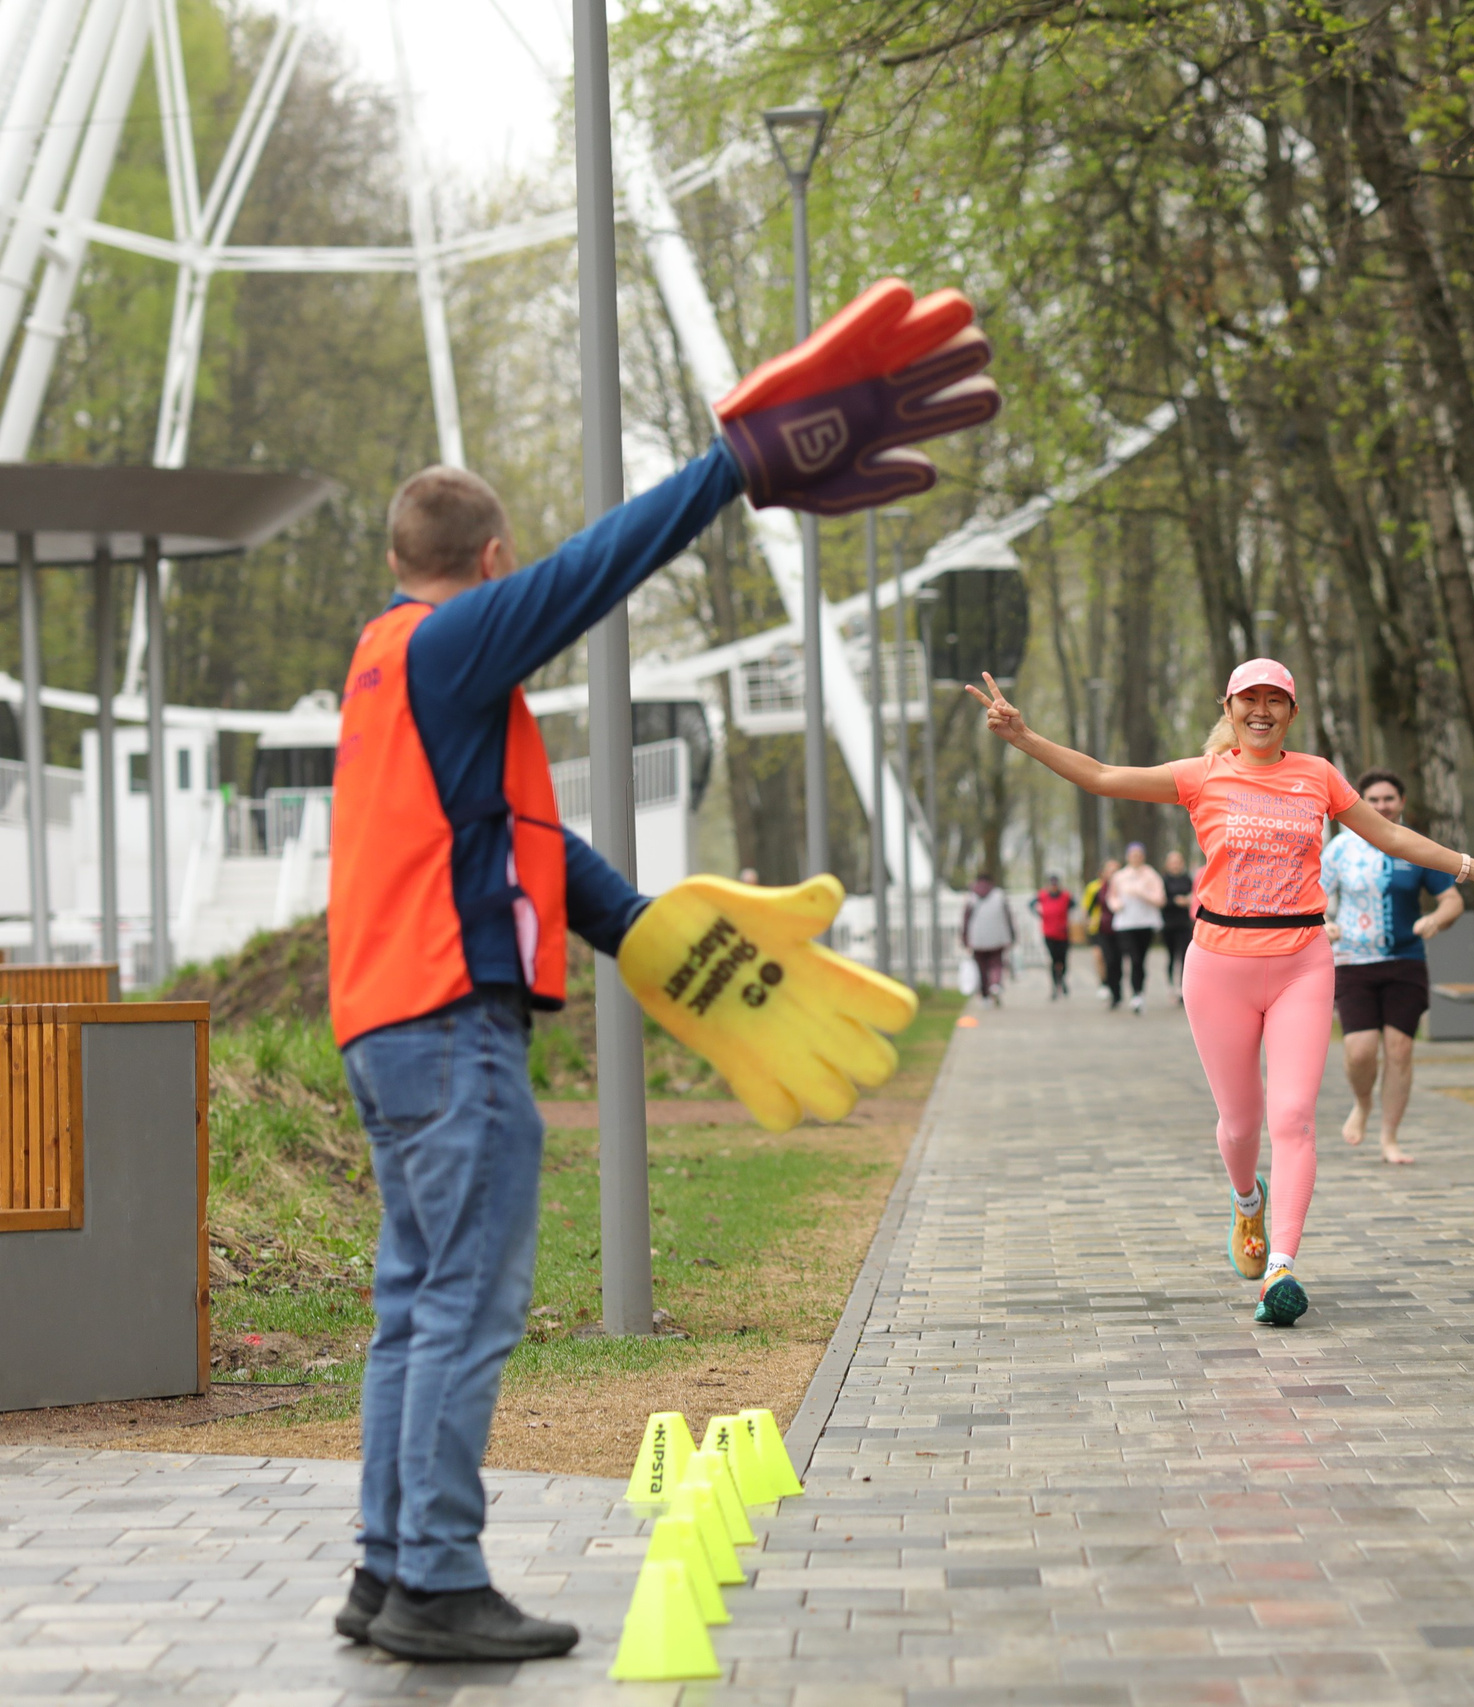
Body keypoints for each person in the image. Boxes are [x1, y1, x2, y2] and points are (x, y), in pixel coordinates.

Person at [323, 278, 998, 1661]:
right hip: (451, 1032)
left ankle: (387, 1567)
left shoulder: (383, 665)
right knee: (465, 1300)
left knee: (413, 1298)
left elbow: (515, 841)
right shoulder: (456, 643)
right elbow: (597, 572)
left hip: (382, 1029)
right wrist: (733, 467)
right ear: (491, 553)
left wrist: (644, 930)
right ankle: (439, 1575)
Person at [968, 659, 1474, 1326]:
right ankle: (1247, 1202)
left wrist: (1471, 867)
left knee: (1293, 1115)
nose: (1262, 710)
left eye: (1276, 700)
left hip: (1302, 960)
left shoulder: (1317, 775)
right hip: (1218, 964)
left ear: (1292, 712)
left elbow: (1388, 835)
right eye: (1250, 700)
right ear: (1230, 708)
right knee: (1241, 1123)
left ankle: (1281, 1267)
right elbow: (1101, 778)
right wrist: (1025, 736)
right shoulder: (1201, 775)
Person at [1320, 769, 1462, 1166]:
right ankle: (1363, 1103)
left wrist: (1437, 919)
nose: (1382, 806)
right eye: (1373, 800)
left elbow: (1451, 898)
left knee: (1399, 1050)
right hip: (1353, 962)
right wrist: (1322, 924)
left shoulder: (1416, 847)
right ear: (1360, 803)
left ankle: (1389, 1137)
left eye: (1389, 799)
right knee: (1360, 1052)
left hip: (1405, 961)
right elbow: (1311, 895)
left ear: (1401, 802)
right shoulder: (1339, 849)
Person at [1106, 841, 1167, 1012]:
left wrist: (1142, 893)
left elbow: (1160, 899)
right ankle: (1132, 992)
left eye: (1139, 855)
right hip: (1125, 923)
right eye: (1132, 855)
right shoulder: (1120, 876)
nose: (1136, 858)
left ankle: (1138, 993)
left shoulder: (1151, 875)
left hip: (1145, 923)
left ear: (1143, 856)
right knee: (1132, 957)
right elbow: (1112, 897)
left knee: (1140, 960)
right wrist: (1116, 905)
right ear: (1127, 857)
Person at [960, 872, 1016, 1003]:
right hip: (998, 937)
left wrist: (965, 938)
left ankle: (985, 995)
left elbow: (966, 920)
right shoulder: (999, 896)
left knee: (982, 967)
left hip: (977, 939)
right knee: (997, 962)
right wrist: (1012, 935)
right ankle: (995, 983)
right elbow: (1008, 918)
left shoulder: (971, 897)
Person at [1082, 857, 1121, 1001]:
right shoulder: (1095, 888)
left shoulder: (1124, 886)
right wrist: (1087, 922)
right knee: (1102, 957)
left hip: (1119, 928)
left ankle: (1116, 987)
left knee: (1117, 960)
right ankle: (1105, 984)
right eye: (1110, 871)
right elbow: (1088, 907)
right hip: (1099, 928)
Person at [1160, 847, 1195, 997]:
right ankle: (1170, 984)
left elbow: (1195, 894)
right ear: (1168, 864)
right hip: (1168, 923)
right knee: (1171, 955)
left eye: (1178, 862)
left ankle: (1182, 987)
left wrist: (1188, 901)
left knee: (1184, 955)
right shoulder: (1163, 880)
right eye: (1172, 862)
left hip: (1184, 922)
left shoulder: (1187, 878)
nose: (1175, 865)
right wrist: (1175, 901)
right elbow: (1160, 900)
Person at [1035, 873, 1075, 999]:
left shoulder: (1066, 896)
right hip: (1049, 933)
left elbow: (1074, 905)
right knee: (1053, 960)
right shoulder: (1042, 896)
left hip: (1063, 933)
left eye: (1055, 884)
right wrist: (1040, 914)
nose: (1053, 887)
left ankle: (1062, 980)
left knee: (1062, 960)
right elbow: (1031, 904)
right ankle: (1054, 986)